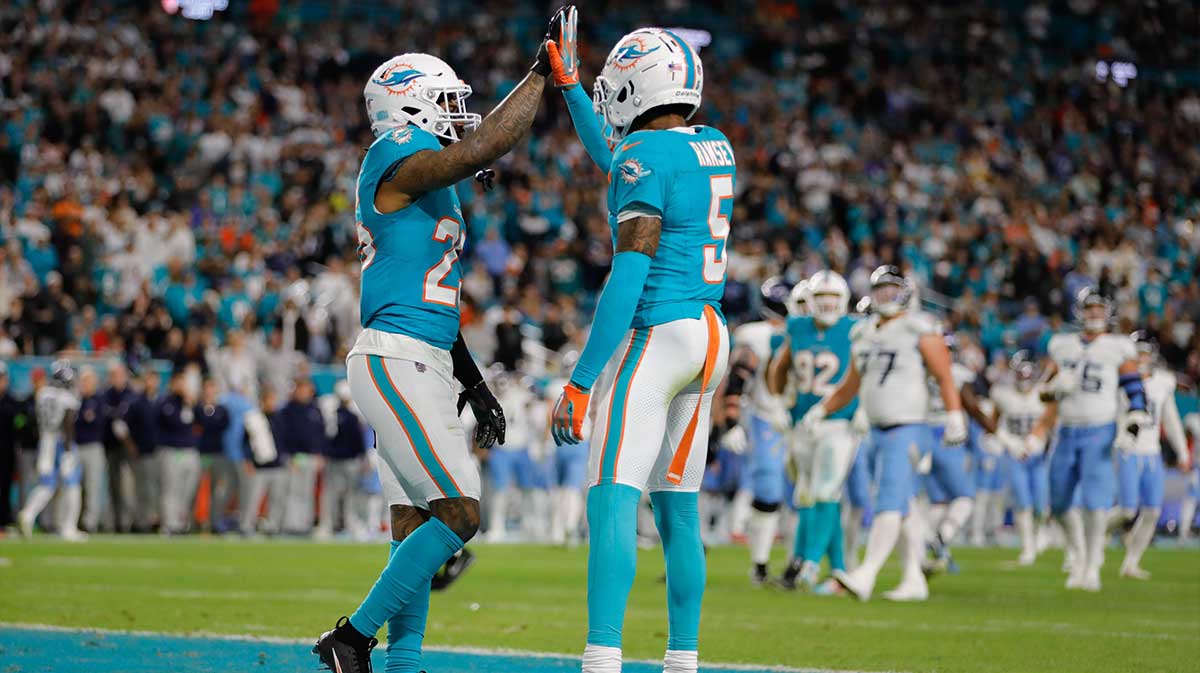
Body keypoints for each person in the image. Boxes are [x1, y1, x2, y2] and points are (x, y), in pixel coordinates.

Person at [311, 5, 554, 668]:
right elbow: (483, 148)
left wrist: (475, 384)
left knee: (414, 528)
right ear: (409, 107)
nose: (455, 113)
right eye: (444, 101)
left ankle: (397, 661)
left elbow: (435, 302)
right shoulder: (391, 159)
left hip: (427, 358)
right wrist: (538, 75)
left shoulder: (433, 187)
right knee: (460, 513)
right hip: (395, 358)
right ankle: (352, 638)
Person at [549, 19, 733, 673]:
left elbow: (627, 278)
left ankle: (602, 658)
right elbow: (620, 156)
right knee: (679, 508)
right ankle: (682, 659)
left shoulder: (644, 158)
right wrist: (570, 86)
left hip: (657, 334)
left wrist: (581, 378)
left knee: (612, 494)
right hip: (711, 336)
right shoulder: (714, 144)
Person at [804, 266, 965, 602]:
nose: (886, 296)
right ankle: (913, 578)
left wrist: (954, 414)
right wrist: (823, 408)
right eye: (881, 290)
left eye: (893, 289)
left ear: (905, 292)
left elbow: (944, 374)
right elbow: (851, 383)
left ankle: (867, 573)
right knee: (903, 505)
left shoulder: (918, 326)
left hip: (907, 426)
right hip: (876, 430)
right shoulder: (865, 333)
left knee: (888, 501)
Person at [1029, 288, 1148, 592]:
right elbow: (1042, 391)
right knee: (1057, 504)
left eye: (1098, 309)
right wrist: (1055, 388)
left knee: (1096, 504)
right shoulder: (1062, 345)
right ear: (1079, 312)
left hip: (1100, 428)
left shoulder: (1117, 347)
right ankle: (1079, 553)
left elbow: (1134, 387)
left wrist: (1134, 420)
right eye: (1089, 309)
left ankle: (1092, 563)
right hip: (1066, 429)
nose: (1093, 314)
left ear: (1106, 312)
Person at [768, 270, 858, 592]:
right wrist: (779, 402)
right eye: (821, 298)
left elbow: (863, 374)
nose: (828, 304)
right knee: (811, 495)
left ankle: (808, 565)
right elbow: (779, 366)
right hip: (801, 423)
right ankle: (839, 570)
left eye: (833, 298)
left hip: (838, 422)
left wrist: (861, 410)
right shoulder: (797, 327)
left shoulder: (854, 329)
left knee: (825, 491)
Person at [724, 277, 791, 586]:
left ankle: (801, 563)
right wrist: (732, 421)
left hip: (806, 420)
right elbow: (740, 374)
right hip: (768, 418)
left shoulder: (814, 331)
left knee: (807, 497)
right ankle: (761, 564)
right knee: (768, 490)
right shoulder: (757, 335)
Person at [1115, 332, 1188, 580]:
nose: (1141, 357)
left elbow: (1171, 420)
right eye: (1138, 352)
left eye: (1145, 352)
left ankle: (1131, 563)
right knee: (1126, 511)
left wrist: (1182, 452)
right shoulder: (1120, 380)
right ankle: (1089, 542)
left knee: (1152, 512)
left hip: (1152, 452)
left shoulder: (1162, 382)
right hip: (1127, 450)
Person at [991, 351, 1050, 565]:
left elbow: (1051, 419)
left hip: (1038, 452)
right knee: (1022, 502)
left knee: (1041, 503)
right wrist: (1008, 442)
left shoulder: (1042, 394)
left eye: (1028, 375)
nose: (1024, 379)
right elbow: (993, 422)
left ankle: (1041, 531)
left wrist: (1039, 440)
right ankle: (1027, 546)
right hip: (1015, 453)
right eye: (1021, 374)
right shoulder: (1003, 394)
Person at [18, 361, 87, 541]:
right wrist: (68, 452)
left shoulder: (43, 393)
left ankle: (28, 514)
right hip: (61, 443)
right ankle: (68, 527)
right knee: (72, 485)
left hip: (45, 441)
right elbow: (68, 424)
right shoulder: (67, 397)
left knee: (46, 485)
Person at [316, 381, 368, 539]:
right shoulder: (345, 417)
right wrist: (363, 457)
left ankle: (335, 525)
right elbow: (357, 441)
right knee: (343, 495)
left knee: (337, 495)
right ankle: (338, 525)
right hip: (343, 460)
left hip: (341, 460)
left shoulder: (338, 416)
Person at [158, 369, 200, 535]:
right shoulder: (166, 402)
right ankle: (170, 523)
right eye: (179, 382)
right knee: (171, 489)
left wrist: (191, 402)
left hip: (190, 450)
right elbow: (173, 423)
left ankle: (182, 522)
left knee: (188, 489)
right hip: (172, 451)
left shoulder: (190, 403)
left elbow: (202, 420)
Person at [241, 389, 288, 535]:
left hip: (277, 465)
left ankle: (272, 526)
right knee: (253, 498)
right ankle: (247, 526)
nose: (272, 403)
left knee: (277, 499)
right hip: (260, 466)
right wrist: (248, 460)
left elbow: (285, 441)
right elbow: (245, 442)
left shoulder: (280, 419)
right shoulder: (253, 419)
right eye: (269, 400)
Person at [281, 378, 325, 535]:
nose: (305, 393)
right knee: (294, 492)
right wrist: (289, 455)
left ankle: (305, 524)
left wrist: (320, 454)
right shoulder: (288, 410)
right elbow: (284, 435)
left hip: (312, 457)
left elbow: (321, 433)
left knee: (307, 493)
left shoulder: (315, 409)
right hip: (295, 457)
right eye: (302, 389)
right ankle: (292, 525)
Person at [102, 362, 138, 532]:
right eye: (114, 375)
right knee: (113, 486)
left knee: (128, 486)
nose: (116, 379)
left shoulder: (131, 395)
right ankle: (116, 522)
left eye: (119, 375)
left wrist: (131, 443)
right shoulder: (106, 395)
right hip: (110, 446)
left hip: (129, 447)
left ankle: (128, 522)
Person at [74, 366, 110, 533]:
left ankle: (90, 523)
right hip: (75, 447)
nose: (87, 384)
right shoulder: (75, 399)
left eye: (90, 381)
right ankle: (72, 521)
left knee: (92, 487)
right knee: (73, 488)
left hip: (94, 447)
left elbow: (98, 422)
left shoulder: (100, 400)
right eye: (85, 381)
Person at [196, 378, 233, 533]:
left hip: (218, 454)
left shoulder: (222, 410)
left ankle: (215, 522)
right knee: (196, 489)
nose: (210, 391)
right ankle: (195, 522)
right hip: (200, 454)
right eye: (207, 388)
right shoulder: (197, 408)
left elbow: (220, 425)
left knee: (218, 490)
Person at [0, 363, 20, 528]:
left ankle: (4, 520)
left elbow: (19, 425)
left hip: (7, 451)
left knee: (5, 485)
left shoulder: (12, 401)